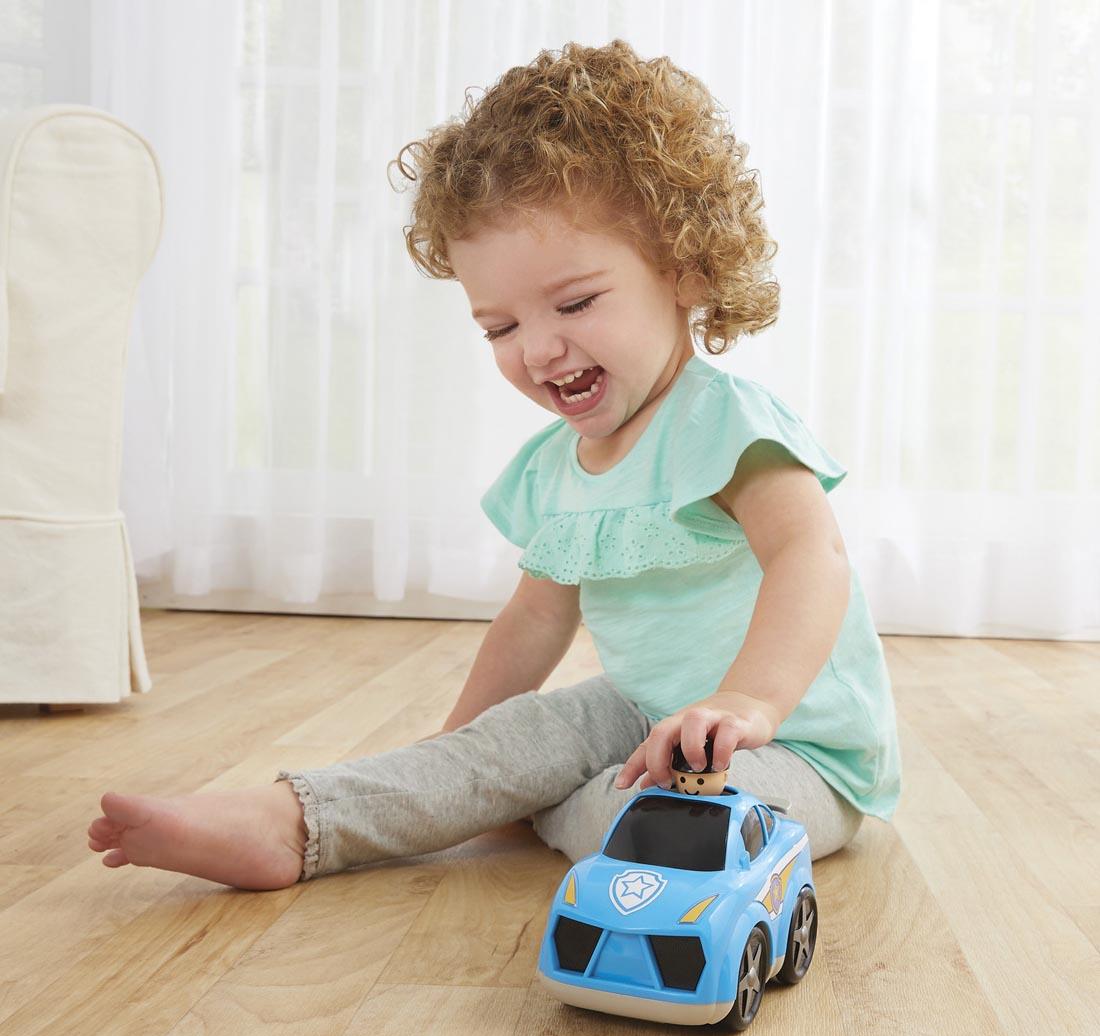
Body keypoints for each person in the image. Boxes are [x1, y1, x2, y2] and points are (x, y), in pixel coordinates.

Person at [87, 39, 901, 892]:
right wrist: (454, 765)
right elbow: (534, 621)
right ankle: (295, 824)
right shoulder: (555, 467)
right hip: (633, 711)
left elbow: (812, 557)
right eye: (500, 328)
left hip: (792, 749)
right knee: (505, 747)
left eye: (576, 303)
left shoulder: (726, 424)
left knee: (656, 824)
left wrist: (748, 703)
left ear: (684, 268)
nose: (539, 349)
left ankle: (546, 804)